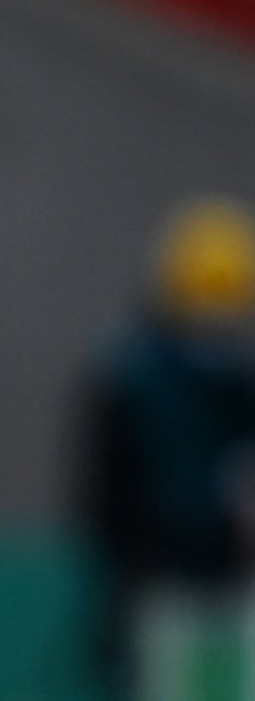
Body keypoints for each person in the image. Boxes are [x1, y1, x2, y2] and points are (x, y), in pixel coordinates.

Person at [82, 197, 255, 699]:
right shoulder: (137, 381)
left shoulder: (231, 383)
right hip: (158, 587)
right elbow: (128, 501)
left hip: (218, 586)